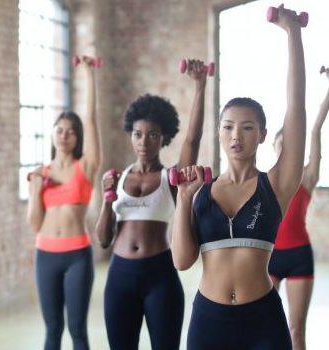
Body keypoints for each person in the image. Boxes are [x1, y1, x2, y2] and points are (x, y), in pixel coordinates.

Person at [171, 5, 307, 349]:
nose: (237, 136)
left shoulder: (275, 185)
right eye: (228, 127)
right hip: (209, 321)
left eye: (247, 128)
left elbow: (297, 108)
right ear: (219, 133)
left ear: (262, 134)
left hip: (263, 321)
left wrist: (294, 34)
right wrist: (184, 200)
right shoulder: (200, 191)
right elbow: (182, 261)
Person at [95, 58, 210, 350]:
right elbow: (103, 239)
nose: (144, 141)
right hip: (120, 276)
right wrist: (106, 201)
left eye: (153, 135)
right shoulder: (117, 178)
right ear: (131, 136)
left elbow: (193, 141)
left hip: (160, 276)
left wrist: (200, 85)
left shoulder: (170, 179)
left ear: (164, 138)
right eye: (138, 134)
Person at [27, 54, 102, 350]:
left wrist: (89, 74)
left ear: (77, 137)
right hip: (45, 254)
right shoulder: (41, 173)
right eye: (60, 130)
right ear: (53, 134)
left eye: (71, 131)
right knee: (52, 330)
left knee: (77, 330)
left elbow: (92, 119)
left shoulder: (86, 167)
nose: (65, 135)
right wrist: (34, 190)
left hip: (77, 257)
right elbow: (35, 223)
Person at [269, 66, 329, 350]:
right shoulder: (264, 181)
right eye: (281, 144)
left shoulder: (307, 177)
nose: (286, 148)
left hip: (299, 255)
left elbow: (314, 129)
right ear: (274, 148)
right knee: (265, 326)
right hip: (269, 258)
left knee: (296, 331)